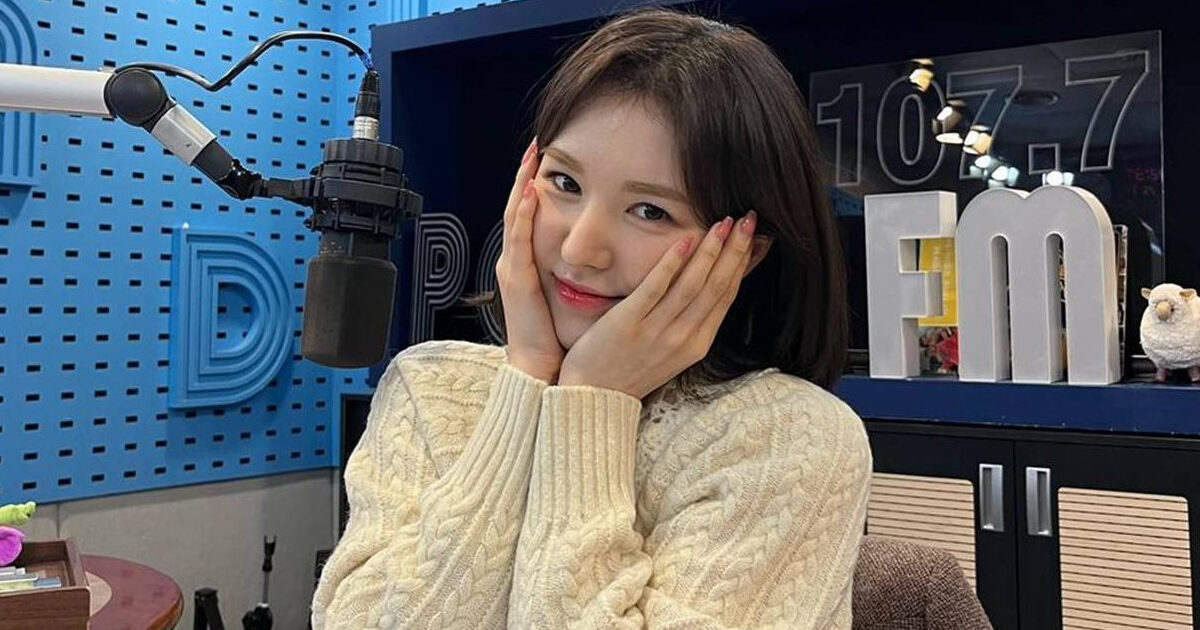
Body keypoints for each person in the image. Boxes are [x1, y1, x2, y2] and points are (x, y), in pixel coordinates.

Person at [311, 7, 871, 629]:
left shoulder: (789, 441)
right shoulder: (429, 388)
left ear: (744, 252)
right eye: (565, 183)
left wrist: (590, 403)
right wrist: (527, 378)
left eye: (651, 212)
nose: (580, 250)